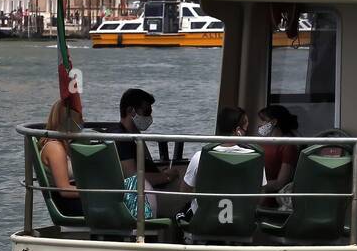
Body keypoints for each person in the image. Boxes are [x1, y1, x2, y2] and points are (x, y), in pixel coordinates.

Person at [177, 105, 266, 222]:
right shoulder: (256, 157)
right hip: (242, 221)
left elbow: (184, 193)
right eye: (246, 128)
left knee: (180, 215)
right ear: (239, 131)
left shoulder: (200, 156)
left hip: (204, 221)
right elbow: (261, 197)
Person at [113, 87, 179, 217]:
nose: (149, 117)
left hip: (151, 190)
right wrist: (165, 176)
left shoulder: (135, 137)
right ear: (131, 111)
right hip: (139, 197)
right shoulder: (122, 138)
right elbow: (133, 178)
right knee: (187, 201)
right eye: (146, 111)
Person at [39, 98, 83, 216]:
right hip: (68, 203)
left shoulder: (65, 145)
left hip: (77, 198)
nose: (83, 121)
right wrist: (98, 192)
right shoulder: (55, 148)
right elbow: (65, 190)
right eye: (79, 118)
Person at [258, 105, 300, 197]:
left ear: (273, 122)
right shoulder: (261, 143)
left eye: (263, 120)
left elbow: (280, 183)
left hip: (270, 198)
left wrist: (254, 187)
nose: (260, 124)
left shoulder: (288, 146)